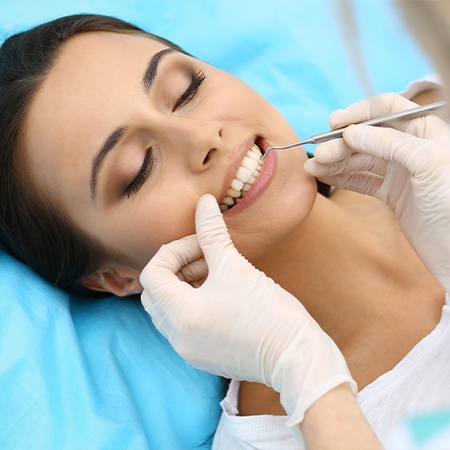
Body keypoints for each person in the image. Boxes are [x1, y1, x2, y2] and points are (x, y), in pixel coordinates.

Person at [0, 12, 448, 449]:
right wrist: (306, 379)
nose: (203, 138)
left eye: (185, 90)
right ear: (117, 276)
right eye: (138, 169)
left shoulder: (434, 126)